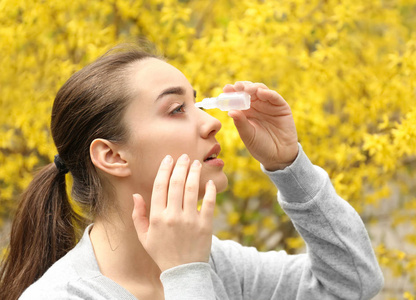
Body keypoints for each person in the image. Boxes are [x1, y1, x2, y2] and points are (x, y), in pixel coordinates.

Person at [0, 44, 384, 300]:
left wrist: (289, 166)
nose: (211, 123)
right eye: (176, 109)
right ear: (112, 156)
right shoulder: (63, 296)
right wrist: (186, 276)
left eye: (197, 102)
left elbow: (352, 285)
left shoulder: (216, 265)